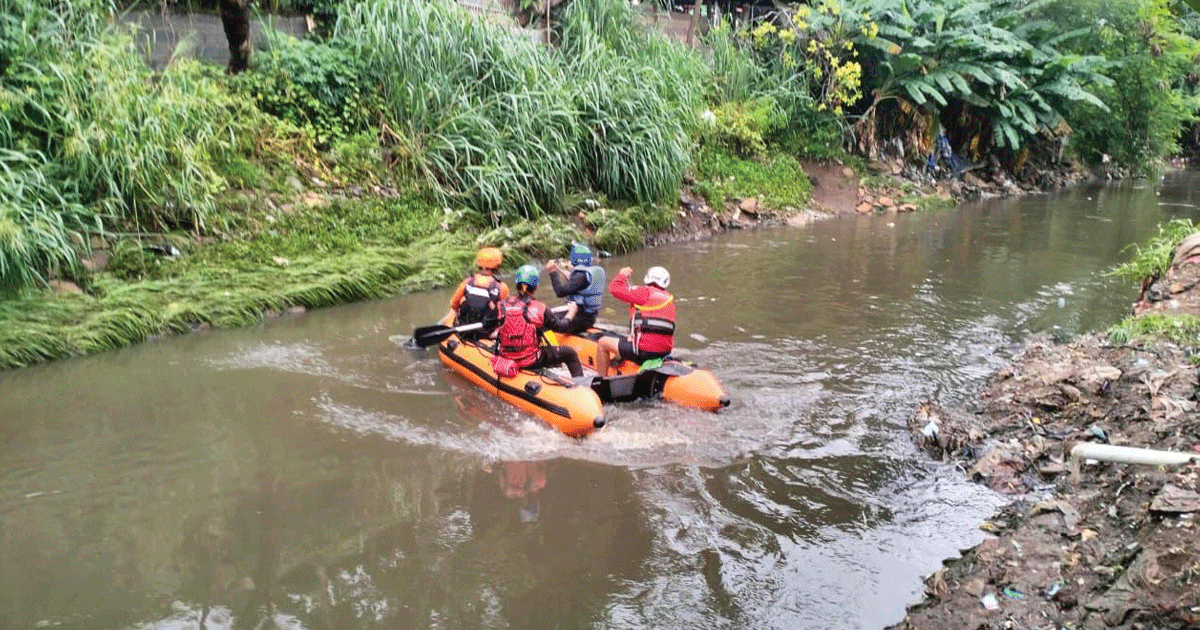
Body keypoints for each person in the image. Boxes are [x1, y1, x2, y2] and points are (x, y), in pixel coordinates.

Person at [494, 265, 584, 378]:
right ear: (536, 287)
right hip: (531, 361)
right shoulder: (541, 308)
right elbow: (562, 327)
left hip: (507, 357)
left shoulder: (501, 305)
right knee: (569, 353)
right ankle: (581, 387)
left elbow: (490, 324)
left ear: (516, 284)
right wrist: (571, 312)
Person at [595, 265, 674, 376]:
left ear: (648, 278)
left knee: (602, 342)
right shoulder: (668, 299)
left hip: (644, 353)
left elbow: (614, 289)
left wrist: (622, 274)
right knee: (629, 338)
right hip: (664, 352)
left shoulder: (643, 292)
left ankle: (600, 380)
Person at [449, 247, 510, 340]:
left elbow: (453, 305)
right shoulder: (501, 287)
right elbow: (507, 314)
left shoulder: (467, 282)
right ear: (498, 265)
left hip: (464, 329)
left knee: (463, 301)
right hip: (486, 332)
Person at [545, 244, 606, 334]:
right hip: (589, 318)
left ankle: (551, 345)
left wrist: (552, 272)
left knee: (545, 318)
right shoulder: (588, 273)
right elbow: (581, 286)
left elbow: (560, 292)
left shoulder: (580, 276)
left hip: (579, 318)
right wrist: (570, 279)